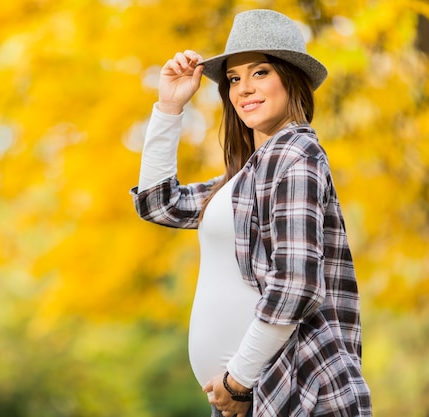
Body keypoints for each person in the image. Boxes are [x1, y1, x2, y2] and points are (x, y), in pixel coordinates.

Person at [130, 9, 372, 417]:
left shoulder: (296, 154)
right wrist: (169, 106)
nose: (244, 88)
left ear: (291, 78)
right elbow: (160, 204)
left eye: (260, 72)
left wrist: (238, 381)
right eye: (235, 78)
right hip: (249, 397)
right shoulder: (245, 176)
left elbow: (296, 285)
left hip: (296, 388)